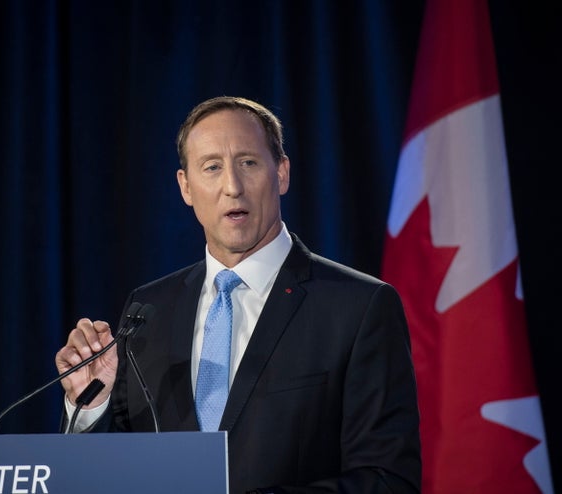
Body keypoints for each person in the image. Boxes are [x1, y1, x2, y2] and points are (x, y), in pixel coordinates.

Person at [55, 96, 421, 493]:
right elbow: (111, 472)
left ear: (281, 173)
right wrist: (91, 407)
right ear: (186, 187)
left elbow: (388, 480)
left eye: (248, 163)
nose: (232, 187)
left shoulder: (357, 307)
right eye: (211, 167)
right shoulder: (148, 310)